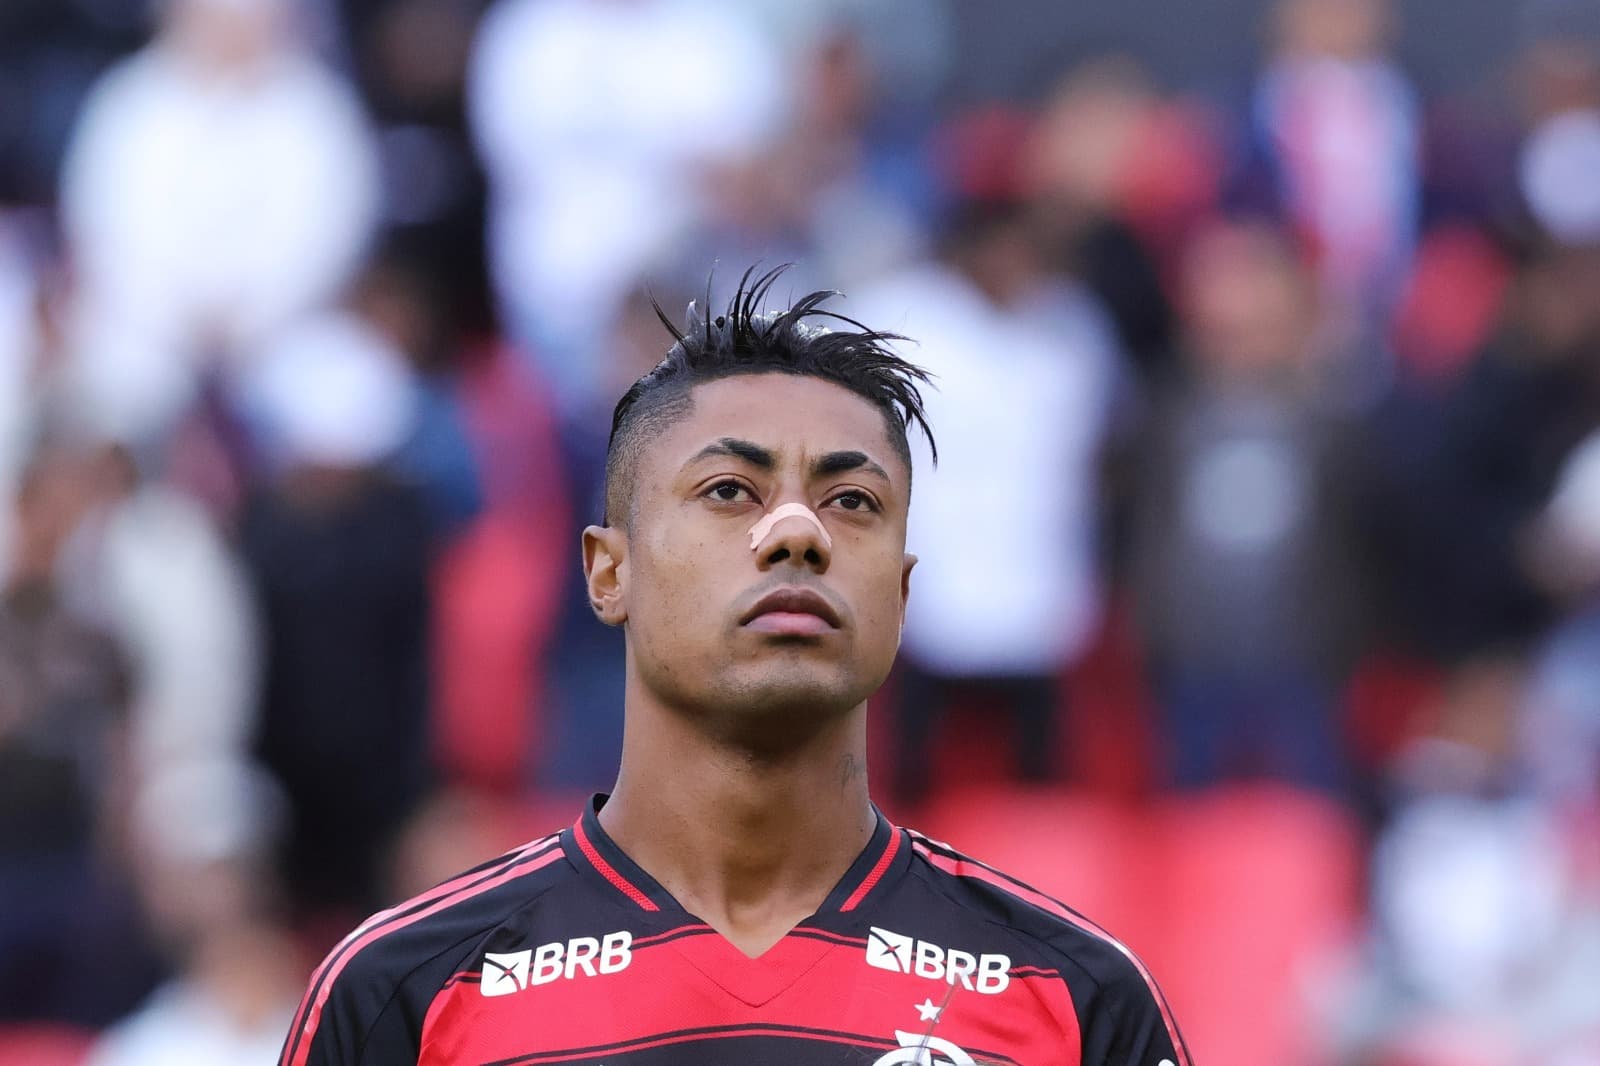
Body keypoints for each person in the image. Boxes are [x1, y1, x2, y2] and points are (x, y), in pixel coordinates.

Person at [277, 267, 1190, 1065]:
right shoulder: (406, 991)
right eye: (729, 491)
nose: (797, 532)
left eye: (852, 500)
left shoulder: (1074, 1001)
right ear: (609, 570)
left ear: (903, 598)